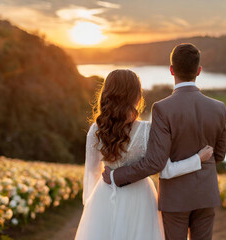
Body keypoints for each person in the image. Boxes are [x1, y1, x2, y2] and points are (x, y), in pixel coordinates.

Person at [102, 43, 226, 240]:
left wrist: (117, 176)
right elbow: (219, 154)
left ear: (171, 70)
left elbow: (155, 162)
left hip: (175, 199)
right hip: (206, 194)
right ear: (199, 70)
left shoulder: (162, 108)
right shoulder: (219, 108)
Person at [74, 69, 213, 240]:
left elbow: (91, 172)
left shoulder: (96, 129)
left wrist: (91, 205)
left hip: (104, 195)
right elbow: (166, 169)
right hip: (140, 199)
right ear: (137, 97)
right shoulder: (148, 130)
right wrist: (197, 159)